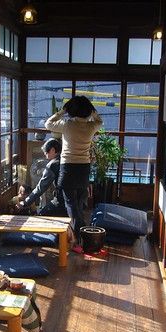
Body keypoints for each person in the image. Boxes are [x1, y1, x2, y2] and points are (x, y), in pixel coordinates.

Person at [45, 96, 103, 251]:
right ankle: (81, 235)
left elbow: (48, 124)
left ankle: (81, 237)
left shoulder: (67, 124)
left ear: (71, 110)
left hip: (68, 168)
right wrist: (94, 112)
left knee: (71, 204)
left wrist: (62, 111)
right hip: (83, 168)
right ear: (88, 110)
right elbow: (100, 121)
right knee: (77, 204)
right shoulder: (91, 126)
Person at [17, 138, 67, 216]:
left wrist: (25, 202)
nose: (44, 154)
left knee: (41, 215)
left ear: (53, 150)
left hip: (61, 200)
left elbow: (41, 187)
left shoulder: (53, 165)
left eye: (46, 152)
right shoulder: (65, 160)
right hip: (75, 200)